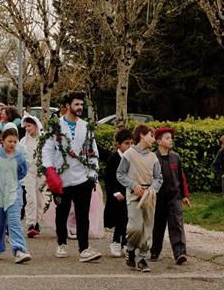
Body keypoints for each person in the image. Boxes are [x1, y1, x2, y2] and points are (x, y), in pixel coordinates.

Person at [41, 91, 102, 262]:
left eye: (82, 105)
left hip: (83, 178)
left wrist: (93, 173)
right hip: (61, 179)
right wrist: (49, 170)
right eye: (76, 104)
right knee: (62, 212)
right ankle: (62, 243)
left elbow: (93, 152)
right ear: (68, 106)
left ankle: (84, 249)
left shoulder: (86, 126)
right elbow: (47, 149)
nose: (80, 107)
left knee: (83, 215)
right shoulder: (56, 125)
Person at [116, 124, 163, 273]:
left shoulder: (153, 157)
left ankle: (142, 258)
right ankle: (130, 248)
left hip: (149, 196)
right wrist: (134, 185)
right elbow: (120, 174)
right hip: (134, 195)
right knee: (135, 226)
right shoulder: (129, 154)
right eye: (151, 136)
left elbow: (158, 178)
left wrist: (152, 189)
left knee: (147, 228)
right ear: (142, 135)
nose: (154, 139)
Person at [0, 128, 31, 263]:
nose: (12, 144)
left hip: (14, 193)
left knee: (14, 222)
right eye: (9, 141)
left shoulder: (19, 156)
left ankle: (19, 250)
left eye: (15, 142)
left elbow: (22, 172)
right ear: (2, 140)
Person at [150, 127, 190, 265]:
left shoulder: (176, 157)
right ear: (159, 141)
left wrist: (185, 195)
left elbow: (181, 177)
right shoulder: (152, 158)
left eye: (171, 138)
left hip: (175, 197)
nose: (170, 140)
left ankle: (180, 253)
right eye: (167, 138)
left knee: (177, 225)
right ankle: (154, 250)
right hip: (158, 198)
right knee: (157, 226)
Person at [104, 128, 133, 258]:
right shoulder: (113, 158)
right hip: (117, 194)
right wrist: (115, 193)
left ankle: (125, 243)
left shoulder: (132, 158)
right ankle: (116, 242)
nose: (129, 146)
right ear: (118, 144)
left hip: (129, 192)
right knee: (120, 219)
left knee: (128, 219)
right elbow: (108, 178)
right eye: (126, 143)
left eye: (131, 143)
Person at [21, 115, 45, 238]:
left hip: (41, 174)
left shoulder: (44, 140)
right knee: (30, 198)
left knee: (40, 200)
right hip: (28, 173)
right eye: (26, 127)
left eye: (29, 126)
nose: (27, 129)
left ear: (36, 125)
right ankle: (30, 224)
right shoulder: (23, 141)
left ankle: (37, 222)